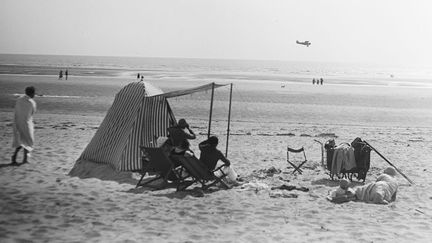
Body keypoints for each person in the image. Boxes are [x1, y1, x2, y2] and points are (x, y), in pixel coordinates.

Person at [11, 86, 37, 165]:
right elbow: (32, 112)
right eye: (34, 93)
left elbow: (16, 110)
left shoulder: (19, 100)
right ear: (31, 93)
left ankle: (15, 156)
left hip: (17, 122)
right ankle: (25, 159)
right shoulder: (31, 102)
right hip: (26, 123)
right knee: (28, 140)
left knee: (20, 140)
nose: (34, 95)